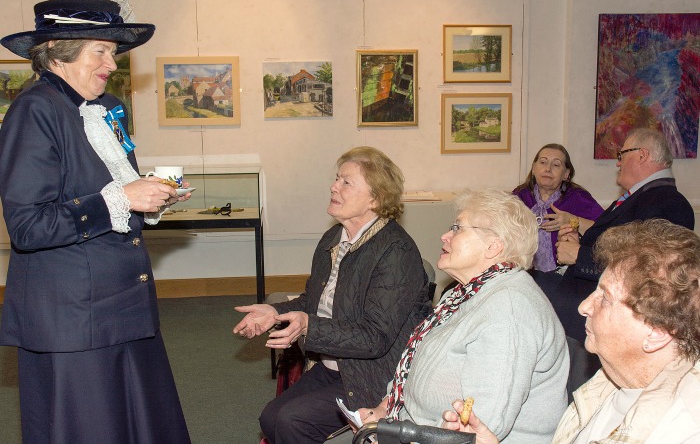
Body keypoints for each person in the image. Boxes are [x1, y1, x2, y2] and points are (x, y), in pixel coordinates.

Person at [0, 0, 191, 443]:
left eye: (114, 52)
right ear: (60, 52)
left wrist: (149, 197)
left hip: (122, 306)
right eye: (101, 51)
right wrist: (122, 198)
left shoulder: (105, 108)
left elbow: (110, 193)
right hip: (73, 320)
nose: (113, 63)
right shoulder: (35, 111)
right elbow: (28, 227)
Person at [233, 146, 432, 444]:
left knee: (291, 421)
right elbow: (312, 302)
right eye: (337, 179)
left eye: (346, 182)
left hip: (374, 375)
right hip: (334, 366)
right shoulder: (334, 238)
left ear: (375, 198)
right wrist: (276, 313)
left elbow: (374, 338)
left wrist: (309, 326)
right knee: (271, 418)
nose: (333, 186)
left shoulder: (395, 251)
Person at [443, 218, 700, 443]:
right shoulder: (610, 384)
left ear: (656, 332)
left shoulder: (680, 429)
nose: (584, 306)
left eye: (606, 298)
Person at [354, 188, 569, 444]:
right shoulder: (462, 294)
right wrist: (384, 409)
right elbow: (413, 370)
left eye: (457, 228)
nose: (445, 235)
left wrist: (396, 436)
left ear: (493, 246)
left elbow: (483, 426)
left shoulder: (509, 309)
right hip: (414, 429)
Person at [552, 128, 695, 391]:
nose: (617, 162)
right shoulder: (642, 197)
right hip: (583, 314)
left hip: (600, 323)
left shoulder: (669, 203)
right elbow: (618, 244)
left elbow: (649, 272)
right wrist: (580, 239)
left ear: (642, 155)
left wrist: (578, 256)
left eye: (622, 154)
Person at [512, 143, 603, 274]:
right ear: (533, 169)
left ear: (566, 174)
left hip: (563, 274)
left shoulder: (577, 197)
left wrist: (573, 221)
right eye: (543, 162)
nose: (548, 169)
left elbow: (606, 231)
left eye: (556, 165)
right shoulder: (520, 195)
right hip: (524, 272)